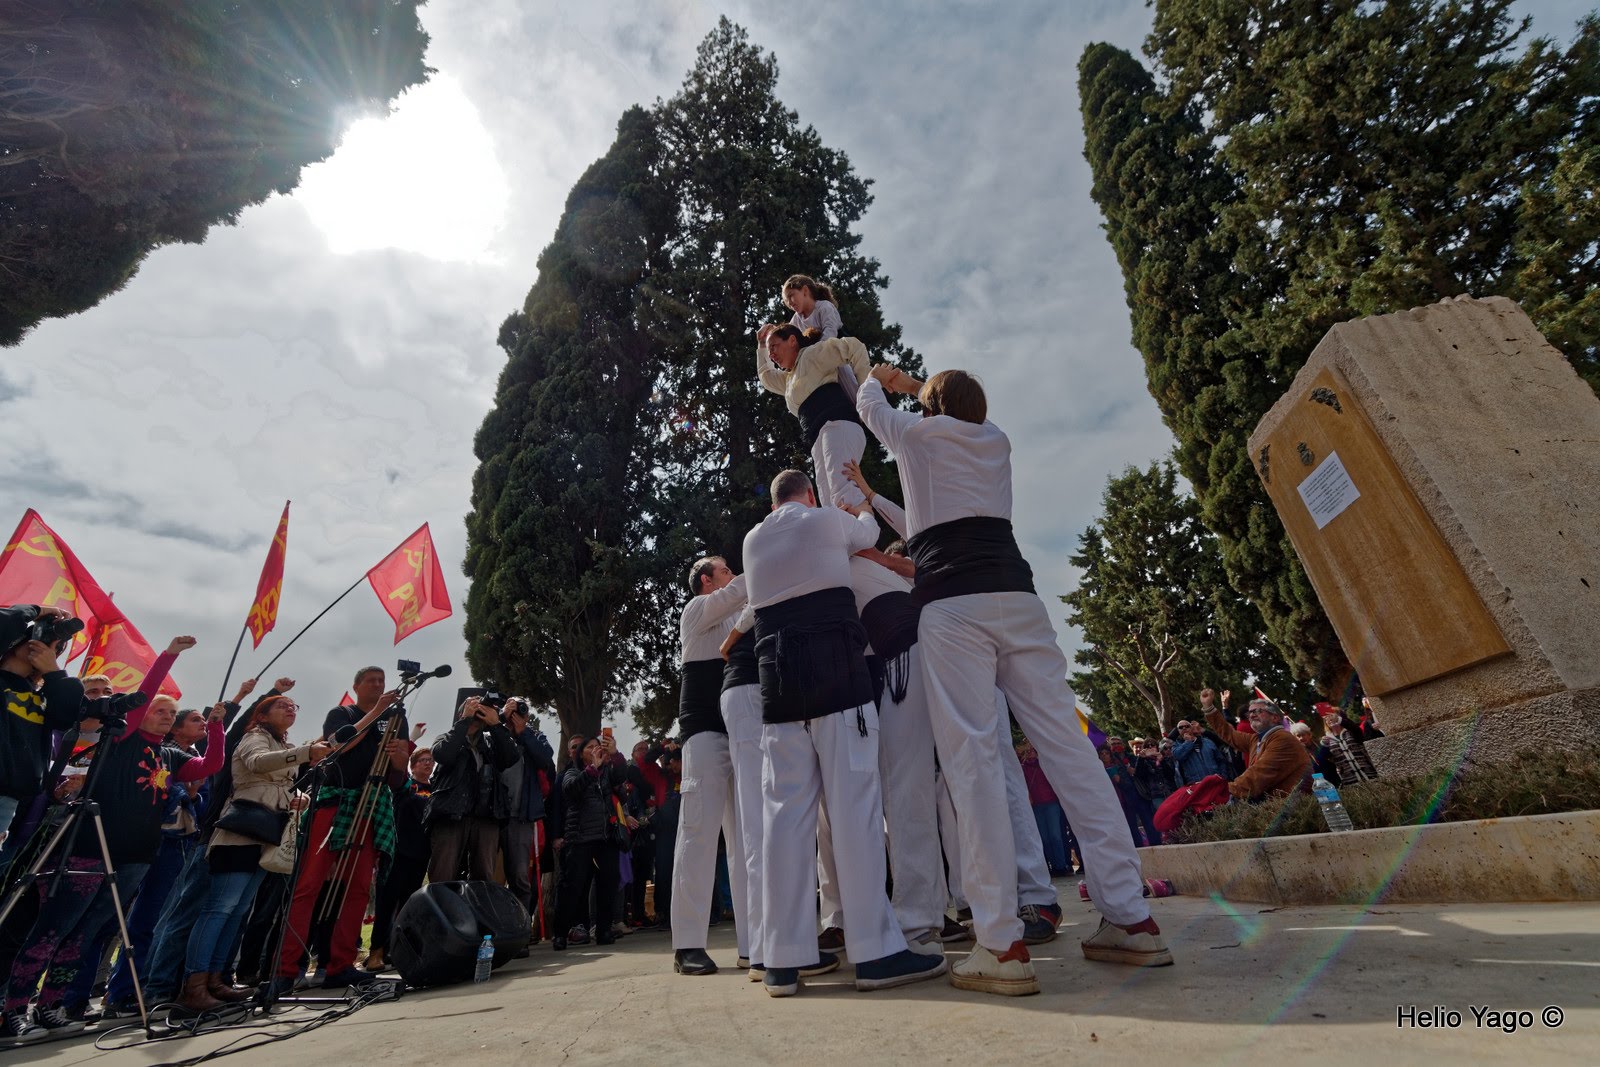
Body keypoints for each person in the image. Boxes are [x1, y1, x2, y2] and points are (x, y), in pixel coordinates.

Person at [857, 366, 1171, 996]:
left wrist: (881, 376)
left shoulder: (916, 437)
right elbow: (925, 513)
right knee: (1068, 750)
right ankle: (1131, 918)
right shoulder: (995, 439)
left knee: (971, 760)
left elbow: (867, 404)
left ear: (931, 406)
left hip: (954, 608)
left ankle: (1000, 942)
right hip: (1019, 599)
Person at [742, 468, 945, 997]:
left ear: (772, 502)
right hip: (837, 680)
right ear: (807, 496)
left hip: (778, 691)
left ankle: (781, 960)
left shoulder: (752, 540)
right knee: (854, 810)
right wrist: (853, 508)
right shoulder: (822, 520)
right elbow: (870, 535)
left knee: (784, 819)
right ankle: (876, 952)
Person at [3, 687, 224, 1038]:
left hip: (136, 856)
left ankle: (49, 1005)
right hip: (93, 848)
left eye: (171, 713)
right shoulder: (123, 740)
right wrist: (170, 655)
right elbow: (141, 699)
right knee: (53, 930)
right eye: (160, 710)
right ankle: (11, 1009)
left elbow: (210, 765)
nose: (167, 716)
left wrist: (216, 729)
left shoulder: (169, 755)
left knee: (85, 933)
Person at [177, 695, 329, 1013]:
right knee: (220, 909)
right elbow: (257, 764)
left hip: (265, 834)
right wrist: (304, 753)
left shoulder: (276, 743)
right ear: (262, 714)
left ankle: (217, 981)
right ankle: (194, 987)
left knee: (238, 910)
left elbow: (273, 783)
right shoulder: (254, 737)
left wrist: (297, 796)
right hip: (239, 834)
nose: (291, 709)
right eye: (282, 705)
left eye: (294, 705)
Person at [272, 667, 408, 992]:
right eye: (371, 681)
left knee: (359, 888)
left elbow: (396, 780)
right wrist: (376, 712)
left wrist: (400, 759)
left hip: (369, 808)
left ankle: (341, 965)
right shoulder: (342, 713)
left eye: (381, 681)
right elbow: (338, 747)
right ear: (357, 686)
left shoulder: (390, 725)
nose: (378, 685)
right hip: (333, 805)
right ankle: (285, 969)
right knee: (309, 886)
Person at [670, 556, 749, 976]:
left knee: (743, 838)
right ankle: (687, 945)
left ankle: (753, 943)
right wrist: (772, 552)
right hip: (703, 735)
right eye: (724, 569)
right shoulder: (696, 609)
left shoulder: (738, 614)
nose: (732, 574)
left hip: (739, 732)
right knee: (698, 832)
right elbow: (744, 589)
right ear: (706, 580)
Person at [756, 324, 872, 509]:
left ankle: (865, 532)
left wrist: (868, 393)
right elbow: (766, 376)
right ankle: (845, 537)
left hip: (838, 424)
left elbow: (853, 347)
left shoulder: (812, 354)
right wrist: (762, 345)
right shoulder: (788, 379)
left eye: (774, 347)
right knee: (828, 503)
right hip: (818, 437)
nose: (771, 355)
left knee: (843, 490)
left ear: (792, 340)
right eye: (769, 351)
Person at [425, 695, 519, 884]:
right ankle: (439, 912)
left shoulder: (491, 742)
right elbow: (444, 754)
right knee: (443, 873)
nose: (478, 714)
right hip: (451, 814)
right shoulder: (447, 737)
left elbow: (510, 757)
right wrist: (464, 722)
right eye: (473, 709)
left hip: (487, 815)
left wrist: (496, 725)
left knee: (483, 876)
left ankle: (476, 913)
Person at [552, 735, 629, 951]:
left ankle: (603, 930)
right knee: (571, 887)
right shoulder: (572, 772)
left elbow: (622, 776)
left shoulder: (607, 773)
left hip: (606, 839)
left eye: (599, 746)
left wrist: (614, 754)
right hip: (580, 839)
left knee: (608, 885)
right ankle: (560, 933)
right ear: (580, 754)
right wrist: (592, 769)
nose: (596, 750)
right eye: (590, 748)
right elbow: (571, 789)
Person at [367, 746, 432, 972]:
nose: (427, 763)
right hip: (396, 851)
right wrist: (410, 741)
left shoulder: (436, 789)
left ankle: (400, 950)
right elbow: (398, 775)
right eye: (422, 760)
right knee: (386, 903)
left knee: (408, 905)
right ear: (413, 765)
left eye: (430, 760)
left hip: (420, 854)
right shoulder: (405, 787)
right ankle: (376, 951)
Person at [500, 699, 555, 933]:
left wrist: (523, 732)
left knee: (521, 878)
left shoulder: (534, 736)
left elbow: (545, 758)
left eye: (522, 709)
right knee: (487, 876)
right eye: (512, 709)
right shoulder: (494, 733)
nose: (517, 713)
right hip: (492, 815)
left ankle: (519, 932)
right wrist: (500, 721)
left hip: (522, 817)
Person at [1204, 696, 1312, 801]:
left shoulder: (1283, 739)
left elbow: (1258, 775)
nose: (1251, 715)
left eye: (1258, 711)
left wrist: (1222, 791)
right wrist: (1209, 708)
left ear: (1275, 717)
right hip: (1276, 807)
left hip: (1295, 811)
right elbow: (1229, 734)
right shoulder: (1256, 739)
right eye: (1249, 713)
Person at [1318, 704, 1378, 786]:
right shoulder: (1326, 740)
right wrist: (1324, 746)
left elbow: (1357, 730)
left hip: (1369, 774)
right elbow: (1323, 761)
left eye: (1333, 715)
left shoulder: (1351, 731)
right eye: (1327, 717)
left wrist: (1340, 720)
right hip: (1349, 781)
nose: (1330, 718)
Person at [1169, 719, 1232, 785]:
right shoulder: (1176, 746)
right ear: (1178, 731)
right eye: (1181, 727)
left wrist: (1222, 776)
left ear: (1192, 728)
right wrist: (1188, 742)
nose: (1184, 728)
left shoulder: (1207, 742)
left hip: (1215, 781)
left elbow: (1220, 760)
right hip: (1196, 785)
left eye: (1187, 726)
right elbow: (1178, 756)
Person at [780, 274, 843, 339]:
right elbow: (786, 335)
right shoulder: (797, 319)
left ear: (805, 291)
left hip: (838, 346)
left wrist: (818, 348)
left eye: (790, 296)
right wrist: (774, 331)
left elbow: (830, 331)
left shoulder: (824, 307)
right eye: (786, 300)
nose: (789, 303)